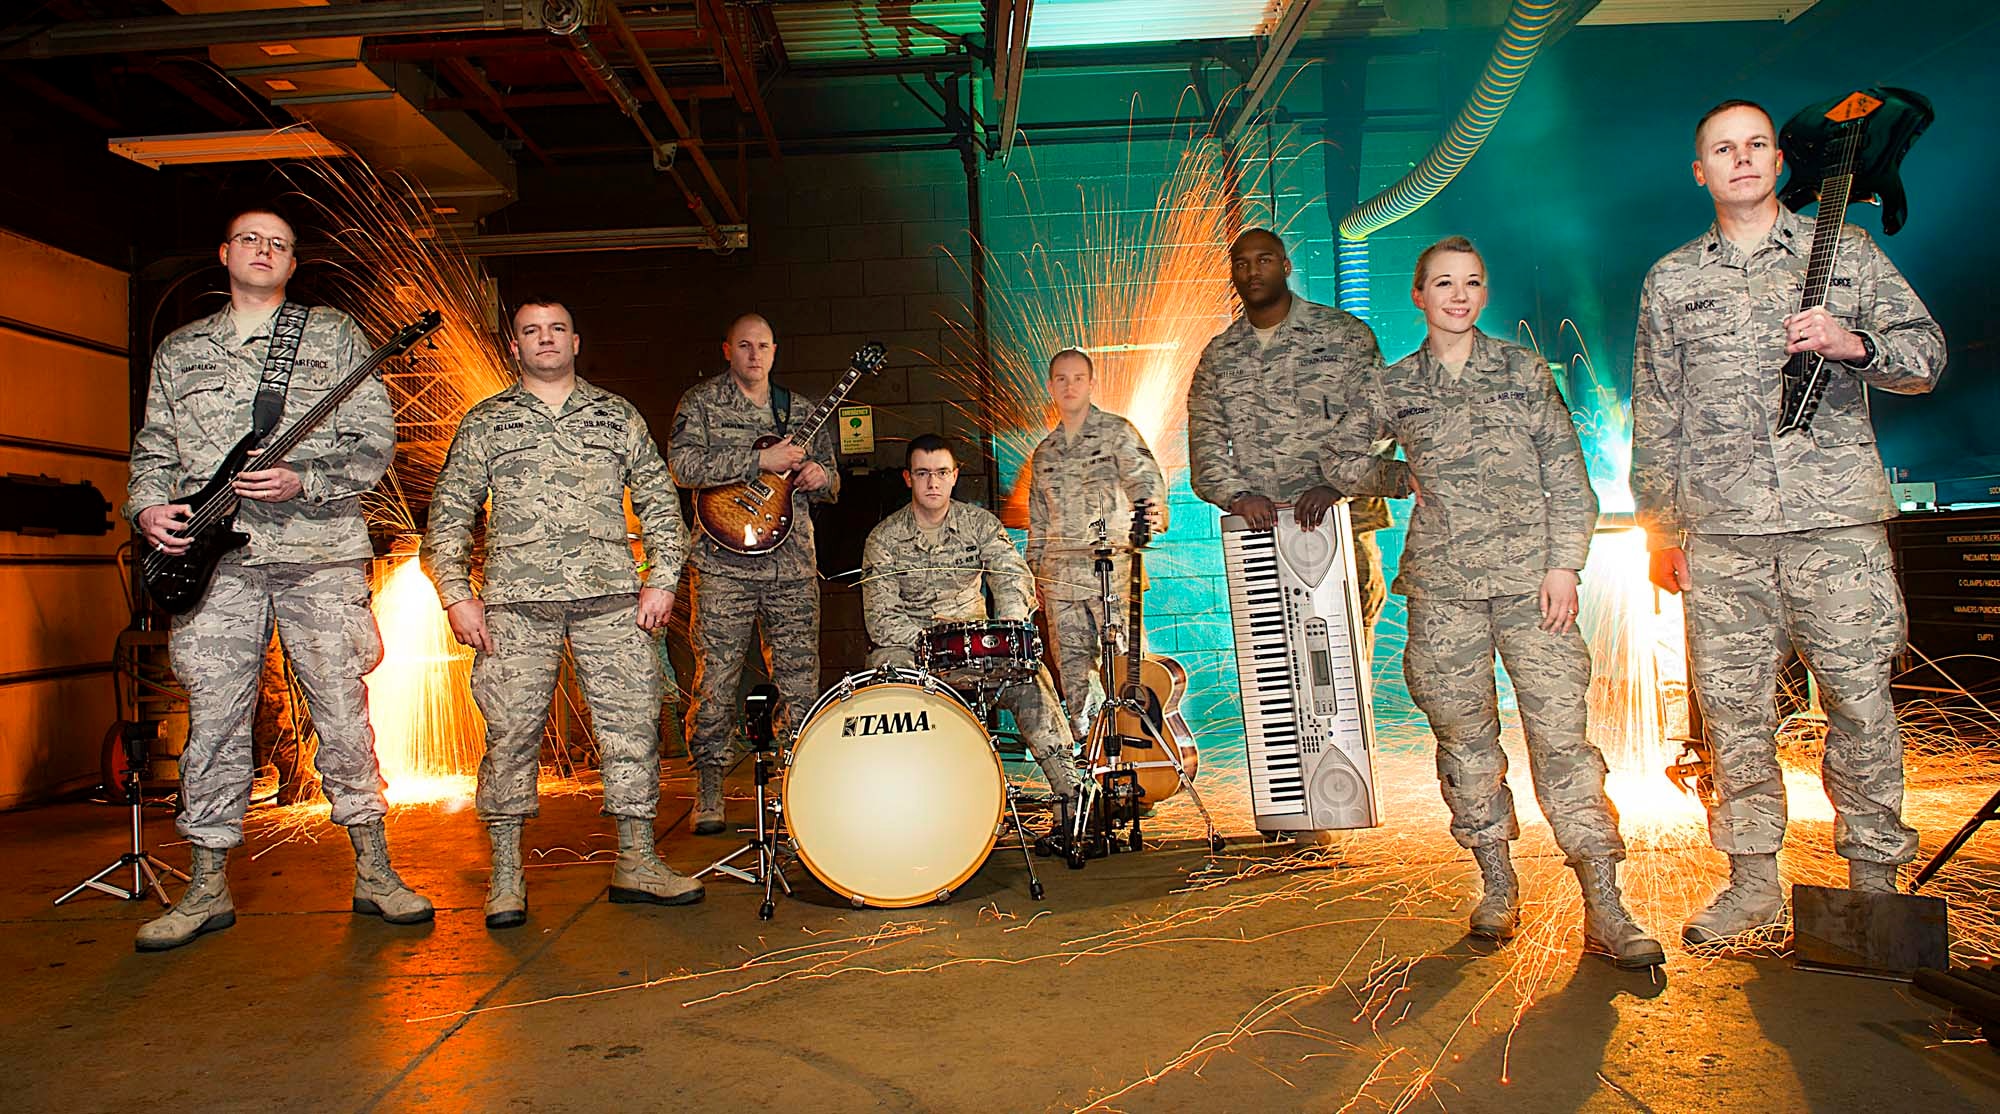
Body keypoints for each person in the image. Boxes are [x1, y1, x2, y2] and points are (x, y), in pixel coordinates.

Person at [1631, 100, 1944, 947]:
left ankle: (1874, 884)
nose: (1740, 159)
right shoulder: (1672, 280)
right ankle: (1752, 884)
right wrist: (1660, 529)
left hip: (1834, 525)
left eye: (1756, 145)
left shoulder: (1845, 253)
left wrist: (1854, 345)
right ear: (1700, 172)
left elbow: (1926, 357)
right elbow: (1657, 413)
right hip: (1723, 536)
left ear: (1778, 161)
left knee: (1860, 703)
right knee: (1734, 715)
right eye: (1722, 148)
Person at [1328, 236, 1663, 968]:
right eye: (1444, 283)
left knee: (1562, 741)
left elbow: (1567, 474)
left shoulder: (1521, 371)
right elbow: (1339, 457)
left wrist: (1565, 565)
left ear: (1484, 293)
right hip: (1444, 589)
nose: (1459, 295)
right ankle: (1497, 884)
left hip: (1532, 586)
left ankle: (1605, 904)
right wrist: (1396, 480)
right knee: (1464, 741)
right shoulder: (1394, 385)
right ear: (1418, 295)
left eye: (1472, 283)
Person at [126, 206, 431, 951]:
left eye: (280, 244)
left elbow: (374, 444)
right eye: (250, 240)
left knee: (342, 712)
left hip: (318, 552)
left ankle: (375, 872)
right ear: (224, 252)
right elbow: (154, 447)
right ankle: (206, 886)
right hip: (213, 560)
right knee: (215, 718)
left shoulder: (332, 335)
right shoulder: (180, 350)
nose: (263, 250)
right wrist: (148, 507)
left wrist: (306, 479)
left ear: (292, 264)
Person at [424, 298, 699, 929]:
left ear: (576, 341)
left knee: (632, 727)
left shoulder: (615, 415)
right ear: (515, 347)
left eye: (556, 329)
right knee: (511, 735)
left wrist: (662, 581)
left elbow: (661, 502)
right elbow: (449, 514)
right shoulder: (486, 423)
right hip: (515, 607)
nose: (545, 339)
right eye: (531, 331)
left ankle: (637, 860)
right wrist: (457, 595)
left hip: (612, 601)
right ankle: (506, 875)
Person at [1186, 227, 1395, 652]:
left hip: (1343, 521)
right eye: (1241, 264)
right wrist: (1238, 497)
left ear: (1285, 266)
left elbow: (1382, 421)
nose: (1252, 272)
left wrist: (1338, 484)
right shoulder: (1220, 355)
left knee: (1344, 658)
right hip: (1261, 534)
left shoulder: (1343, 334)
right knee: (1278, 663)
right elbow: (1205, 440)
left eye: (1263, 260)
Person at [669, 313, 839, 834]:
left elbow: (833, 481)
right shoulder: (701, 404)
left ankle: (796, 784)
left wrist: (820, 475)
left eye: (763, 346)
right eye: (744, 345)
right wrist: (757, 461)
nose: (754, 354)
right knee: (716, 678)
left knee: (799, 680)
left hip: (791, 569)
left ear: (774, 350)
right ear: (727, 350)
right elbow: (681, 466)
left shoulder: (801, 410)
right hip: (722, 567)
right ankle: (709, 786)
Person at [860, 435, 1082, 824]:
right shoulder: (884, 538)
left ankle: (1073, 798)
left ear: (954, 476)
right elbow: (880, 617)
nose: (933, 482)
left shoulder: (979, 524)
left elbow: (1011, 576)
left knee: (1031, 676)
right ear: (908, 478)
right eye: (923, 473)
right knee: (885, 673)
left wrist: (1011, 627)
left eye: (941, 472)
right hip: (913, 652)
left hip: (974, 649)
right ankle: (903, 803)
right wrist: (930, 643)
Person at [1023, 348, 1167, 737]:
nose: (1069, 386)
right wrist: (1034, 576)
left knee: (1127, 664)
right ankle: (1091, 747)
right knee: (1073, 672)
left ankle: (1139, 741)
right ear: (1050, 386)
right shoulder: (1044, 453)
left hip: (1111, 573)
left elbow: (1146, 483)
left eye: (1078, 378)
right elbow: (1038, 521)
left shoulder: (1117, 433)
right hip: (1060, 580)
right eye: (1061, 379)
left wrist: (1149, 516)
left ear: (1091, 383)